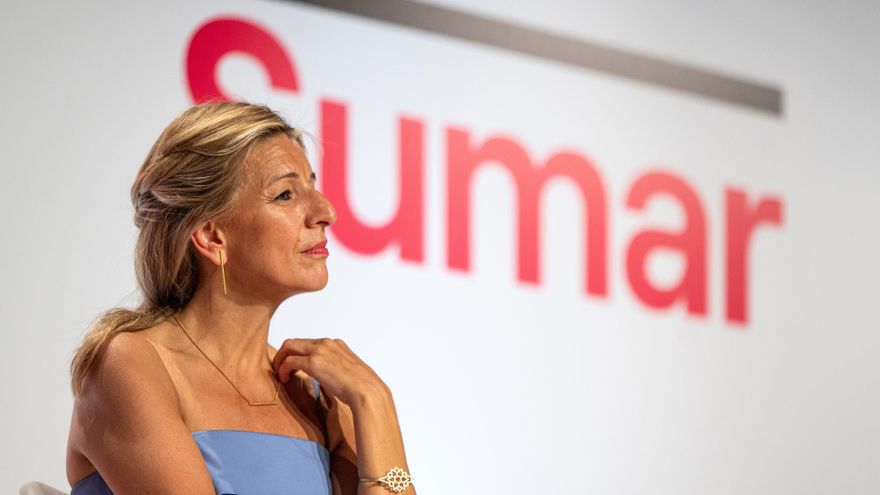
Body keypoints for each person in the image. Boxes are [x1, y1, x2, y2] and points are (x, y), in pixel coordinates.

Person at [65, 102, 416, 495]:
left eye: (313, 187)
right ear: (212, 236)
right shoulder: (132, 364)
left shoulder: (319, 394)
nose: (326, 211)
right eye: (285, 195)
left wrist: (375, 403)